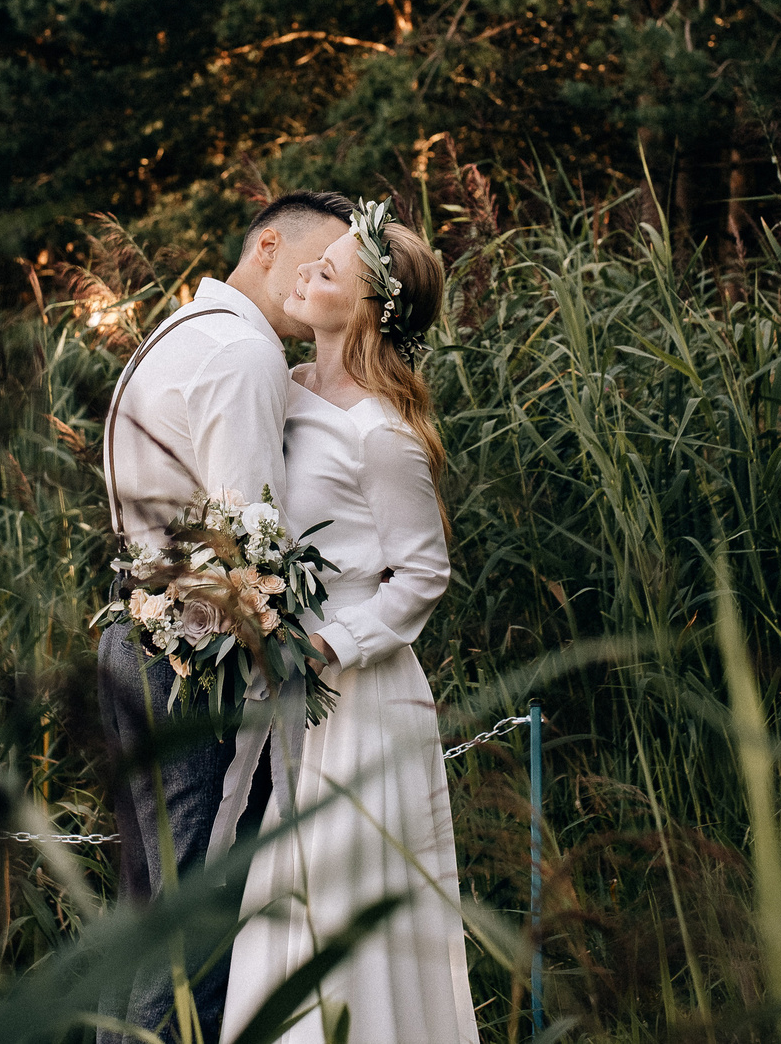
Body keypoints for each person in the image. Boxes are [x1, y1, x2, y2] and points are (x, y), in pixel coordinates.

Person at [97, 189, 354, 1044]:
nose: (326, 283)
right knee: (192, 933)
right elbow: (254, 540)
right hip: (195, 666)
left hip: (132, 639)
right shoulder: (244, 354)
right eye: (317, 264)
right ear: (269, 245)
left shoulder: (176, 335)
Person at [223, 200, 479, 1044]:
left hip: (362, 700)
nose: (304, 271)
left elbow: (423, 574)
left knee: (342, 906)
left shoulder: (380, 431)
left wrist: (331, 643)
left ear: (367, 309)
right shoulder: (282, 387)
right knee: (281, 903)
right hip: (292, 691)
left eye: (327, 270)